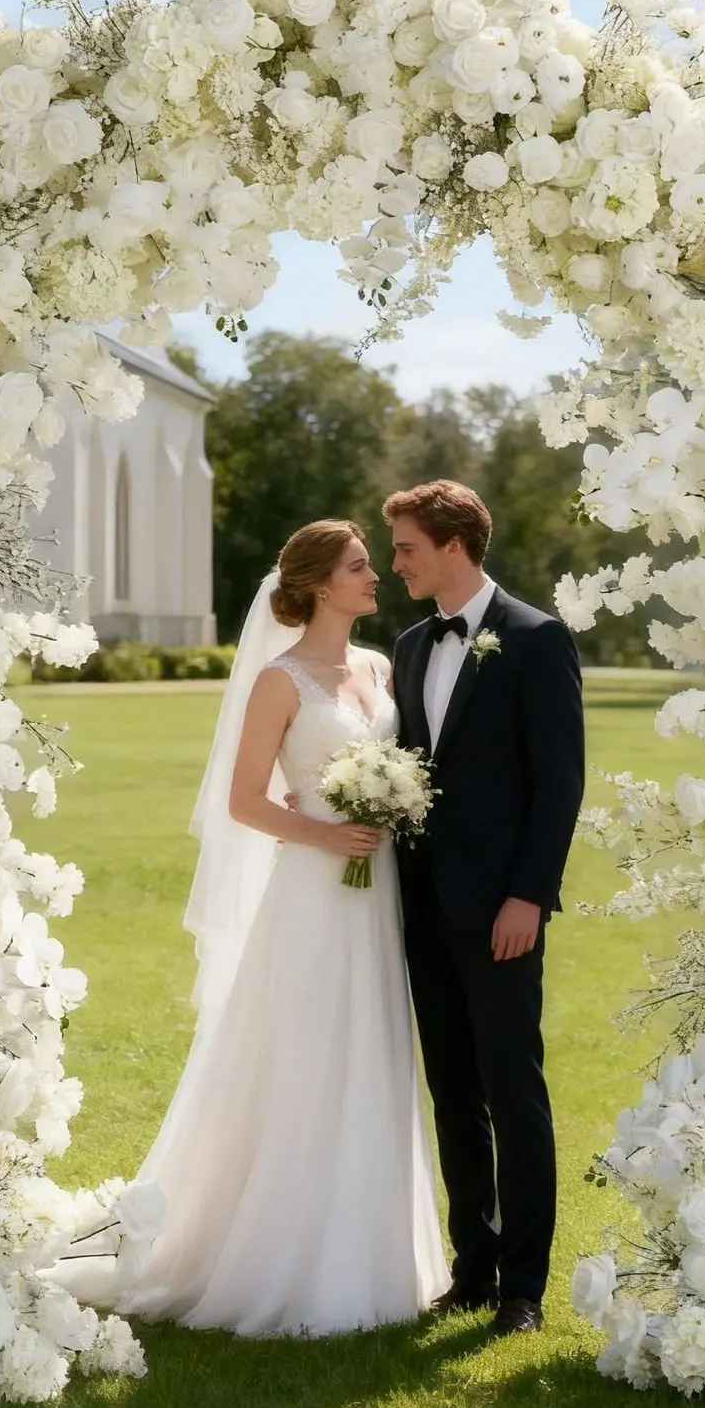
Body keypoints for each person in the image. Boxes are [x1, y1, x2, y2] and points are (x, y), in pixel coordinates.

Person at [107, 520, 448, 1336]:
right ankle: (279, 1255)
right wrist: (327, 833)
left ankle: (377, 1256)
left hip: (380, 890)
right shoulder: (279, 680)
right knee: (307, 1054)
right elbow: (244, 801)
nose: (377, 576)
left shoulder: (378, 664)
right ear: (321, 584)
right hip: (313, 891)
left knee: (373, 1049)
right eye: (361, 567)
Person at [384, 480, 585, 1336]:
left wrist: (528, 896)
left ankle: (523, 1290)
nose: (397, 563)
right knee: (452, 1092)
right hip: (420, 909)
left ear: (454, 546)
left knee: (513, 1092)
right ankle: (473, 1267)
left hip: (501, 910)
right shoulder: (405, 646)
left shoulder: (538, 640)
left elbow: (559, 783)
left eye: (406, 549)